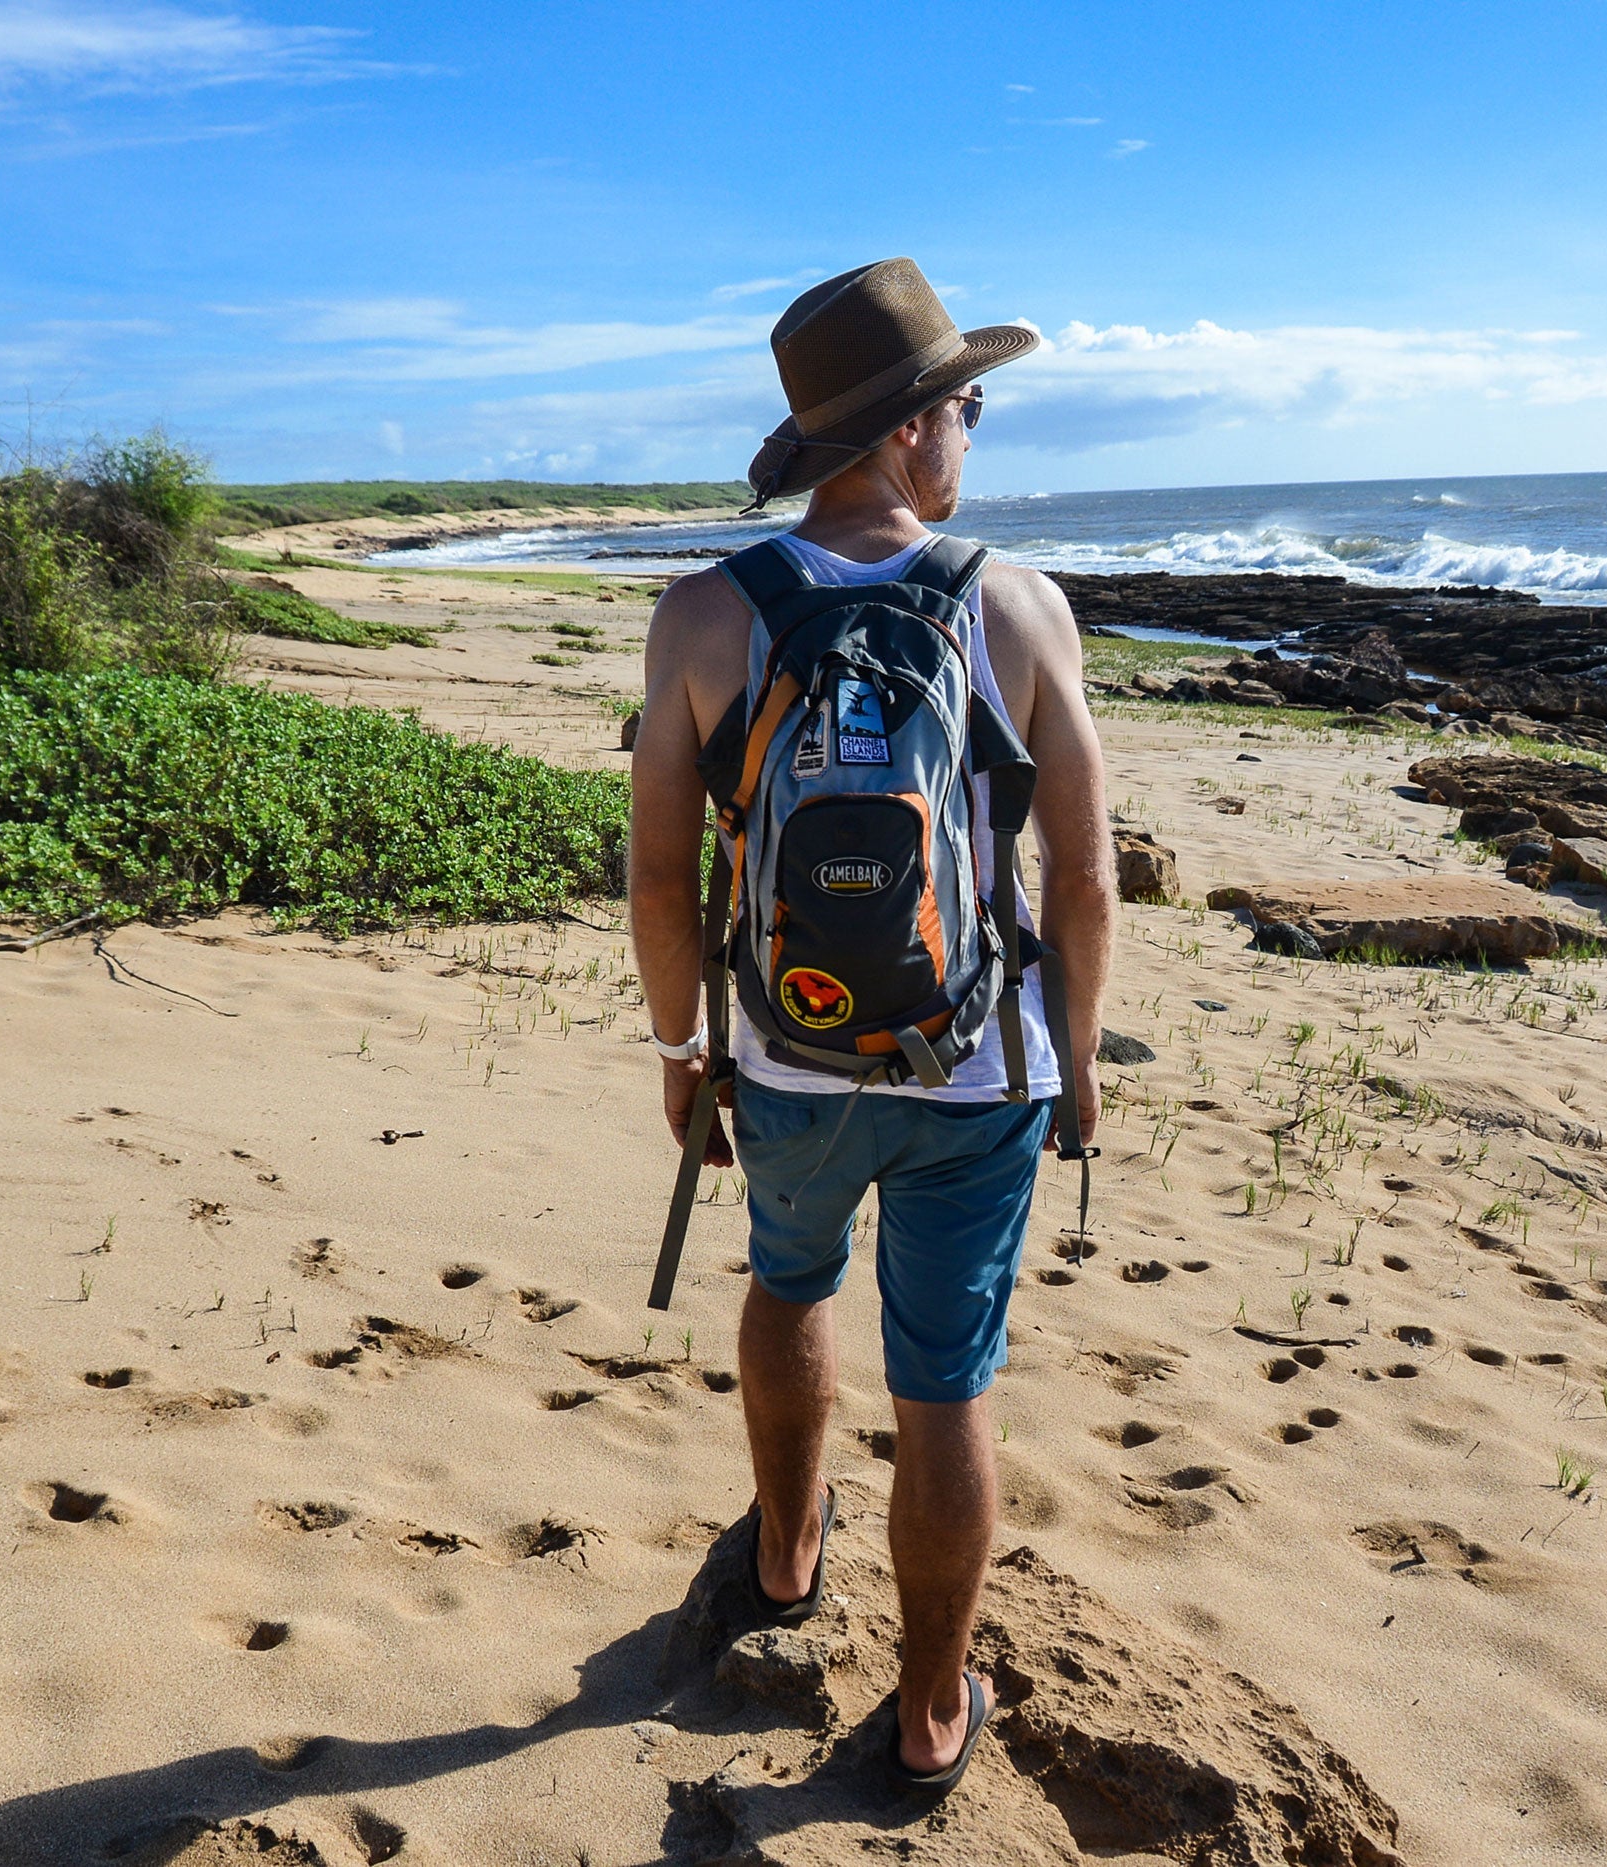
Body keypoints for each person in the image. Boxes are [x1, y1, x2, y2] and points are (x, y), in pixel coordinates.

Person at [629, 259, 1115, 1794]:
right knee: (946, 1382)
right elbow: (1084, 877)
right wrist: (1077, 1058)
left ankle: (785, 1558)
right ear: (914, 427)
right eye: (969, 408)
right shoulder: (1016, 605)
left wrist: (682, 1050)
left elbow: (658, 875)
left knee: (789, 1279)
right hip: (982, 1073)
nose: (971, 434)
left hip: (785, 1054)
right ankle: (925, 1715)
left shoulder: (706, 613)